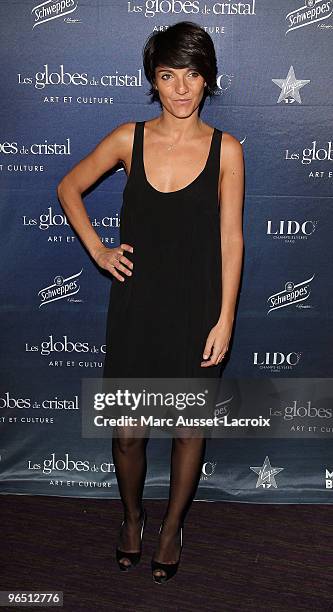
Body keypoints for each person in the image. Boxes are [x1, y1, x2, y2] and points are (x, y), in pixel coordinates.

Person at [57, 21, 244, 583]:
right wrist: (98, 249)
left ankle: (170, 528)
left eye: (191, 74)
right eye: (168, 75)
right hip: (136, 308)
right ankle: (133, 518)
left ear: (207, 79)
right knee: (128, 432)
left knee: (189, 430)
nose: (181, 88)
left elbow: (231, 238)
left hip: (197, 310)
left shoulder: (226, 150)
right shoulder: (126, 140)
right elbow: (69, 186)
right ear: (153, 81)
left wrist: (226, 317)